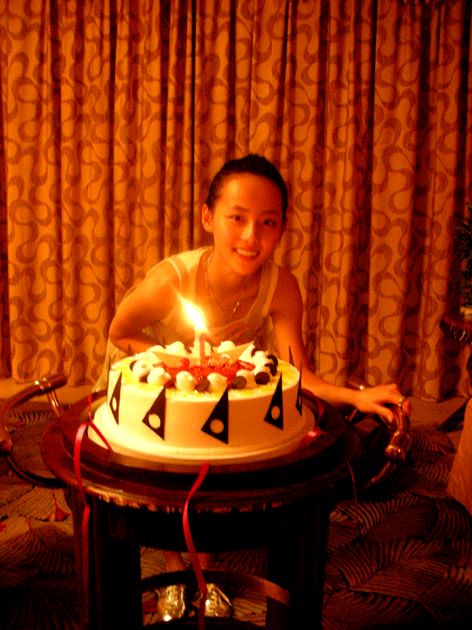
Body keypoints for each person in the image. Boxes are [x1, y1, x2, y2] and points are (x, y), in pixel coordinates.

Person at [101, 153, 412, 620]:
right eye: (237, 218)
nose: (251, 237)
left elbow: (298, 373)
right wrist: (179, 362)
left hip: (218, 391)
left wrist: (356, 396)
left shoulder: (281, 286)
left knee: (219, 460)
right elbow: (119, 332)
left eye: (268, 222)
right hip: (152, 383)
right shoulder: (172, 280)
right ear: (208, 217)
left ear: (282, 227)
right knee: (174, 463)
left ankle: (204, 570)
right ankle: (173, 566)